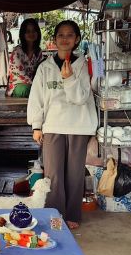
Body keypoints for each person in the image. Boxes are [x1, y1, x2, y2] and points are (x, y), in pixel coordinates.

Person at [27, 20, 97, 229]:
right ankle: (55, 214)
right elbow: (36, 98)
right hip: (53, 125)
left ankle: (73, 215)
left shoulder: (83, 65)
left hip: (79, 125)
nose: (64, 39)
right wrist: (36, 126)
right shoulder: (45, 67)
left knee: (75, 173)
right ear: (54, 40)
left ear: (76, 40)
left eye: (69, 35)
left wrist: (68, 79)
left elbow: (81, 98)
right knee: (53, 175)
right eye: (60, 35)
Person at [8, 17, 45, 93]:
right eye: (28, 31)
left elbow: (41, 70)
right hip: (18, 86)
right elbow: (20, 75)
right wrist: (36, 86)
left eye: (34, 31)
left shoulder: (38, 51)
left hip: (34, 85)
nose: (31, 33)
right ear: (23, 34)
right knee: (28, 89)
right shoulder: (17, 51)